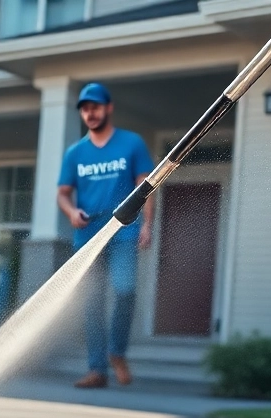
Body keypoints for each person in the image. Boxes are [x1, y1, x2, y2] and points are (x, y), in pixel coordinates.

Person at [57, 83, 156, 389]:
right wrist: (71, 212)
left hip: (123, 230)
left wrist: (147, 224)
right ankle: (97, 369)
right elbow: (62, 193)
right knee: (92, 303)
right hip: (87, 235)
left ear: (108, 108)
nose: (91, 112)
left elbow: (146, 186)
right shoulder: (75, 153)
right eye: (86, 108)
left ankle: (117, 353)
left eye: (96, 107)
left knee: (125, 290)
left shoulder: (131, 144)